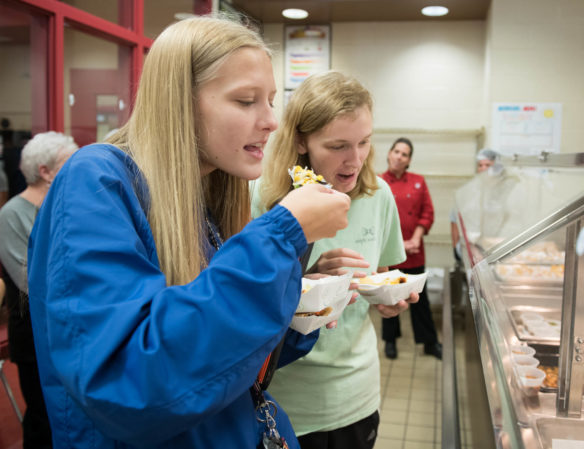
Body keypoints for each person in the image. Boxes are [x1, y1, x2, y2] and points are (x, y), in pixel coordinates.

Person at [26, 16, 351, 449]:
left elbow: (215, 360)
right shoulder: (97, 180)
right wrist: (281, 234)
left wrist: (296, 304)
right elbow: (132, 383)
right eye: (246, 101)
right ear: (179, 102)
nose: (272, 121)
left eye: (271, 100)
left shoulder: (204, 193)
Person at [253, 71, 418, 449]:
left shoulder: (379, 196)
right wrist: (306, 277)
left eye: (364, 142)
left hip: (354, 395)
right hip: (283, 396)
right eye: (338, 146)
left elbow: (381, 276)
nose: (355, 160)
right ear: (300, 141)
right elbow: (233, 297)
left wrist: (390, 300)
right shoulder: (261, 196)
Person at [0, 131, 78, 449]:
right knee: (44, 418)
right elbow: (31, 283)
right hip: (34, 333)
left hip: (65, 327)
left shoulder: (64, 207)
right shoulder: (10, 215)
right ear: (44, 171)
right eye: (67, 164)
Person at [380, 137, 442, 360]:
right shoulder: (378, 182)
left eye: (404, 154)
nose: (399, 156)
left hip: (414, 252)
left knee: (419, 299)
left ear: (409, 161)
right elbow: (377, 219)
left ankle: (429, 342)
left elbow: (427, 213)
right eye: (396, 151)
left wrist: (415, 238)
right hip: (389, 253)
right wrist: (397, 244)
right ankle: (390, 341)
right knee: (390, 297)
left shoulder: (418, 181)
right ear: (389, 154)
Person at [450, 148, 500, 260]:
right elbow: (454, 219)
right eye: (480, 165)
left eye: (488, 165)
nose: (483, 169)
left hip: (496, 248)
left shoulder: (502, 192)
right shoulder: (467, 191)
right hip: (472, 248)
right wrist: (456, 247)